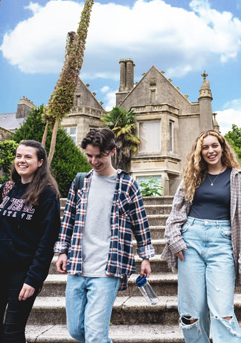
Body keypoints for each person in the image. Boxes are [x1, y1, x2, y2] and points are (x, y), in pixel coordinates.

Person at [54, 128, 155, 343]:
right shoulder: (80, 182)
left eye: (98, 156)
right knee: (76, 331)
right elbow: (68, 219)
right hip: (78, 266)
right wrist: (62, 251)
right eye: (89, 155)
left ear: (111, 151)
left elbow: (140, 222)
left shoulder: (127, 184)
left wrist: (145, 256)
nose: (93, 161)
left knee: (96, 335)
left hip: (108, 269)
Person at [161, 129, 241, 343]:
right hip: (190, 242)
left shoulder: (237, 178)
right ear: (199, 152)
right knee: (191, 313)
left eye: (214, 145)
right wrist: (175, 239)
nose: (210, 150)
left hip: (222, 243)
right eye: (204, 147)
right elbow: (176, 212)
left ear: (223, 147)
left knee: (222, 311)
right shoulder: (192, 176)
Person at [0, 140, 60, 343]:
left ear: (40, 162)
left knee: (13, 331)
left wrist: (34, 278)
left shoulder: (47, 193)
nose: (21, 160)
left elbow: (47, 239)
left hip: (23, 271)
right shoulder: (7, 188)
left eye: (28, 157)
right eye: (18, 156)